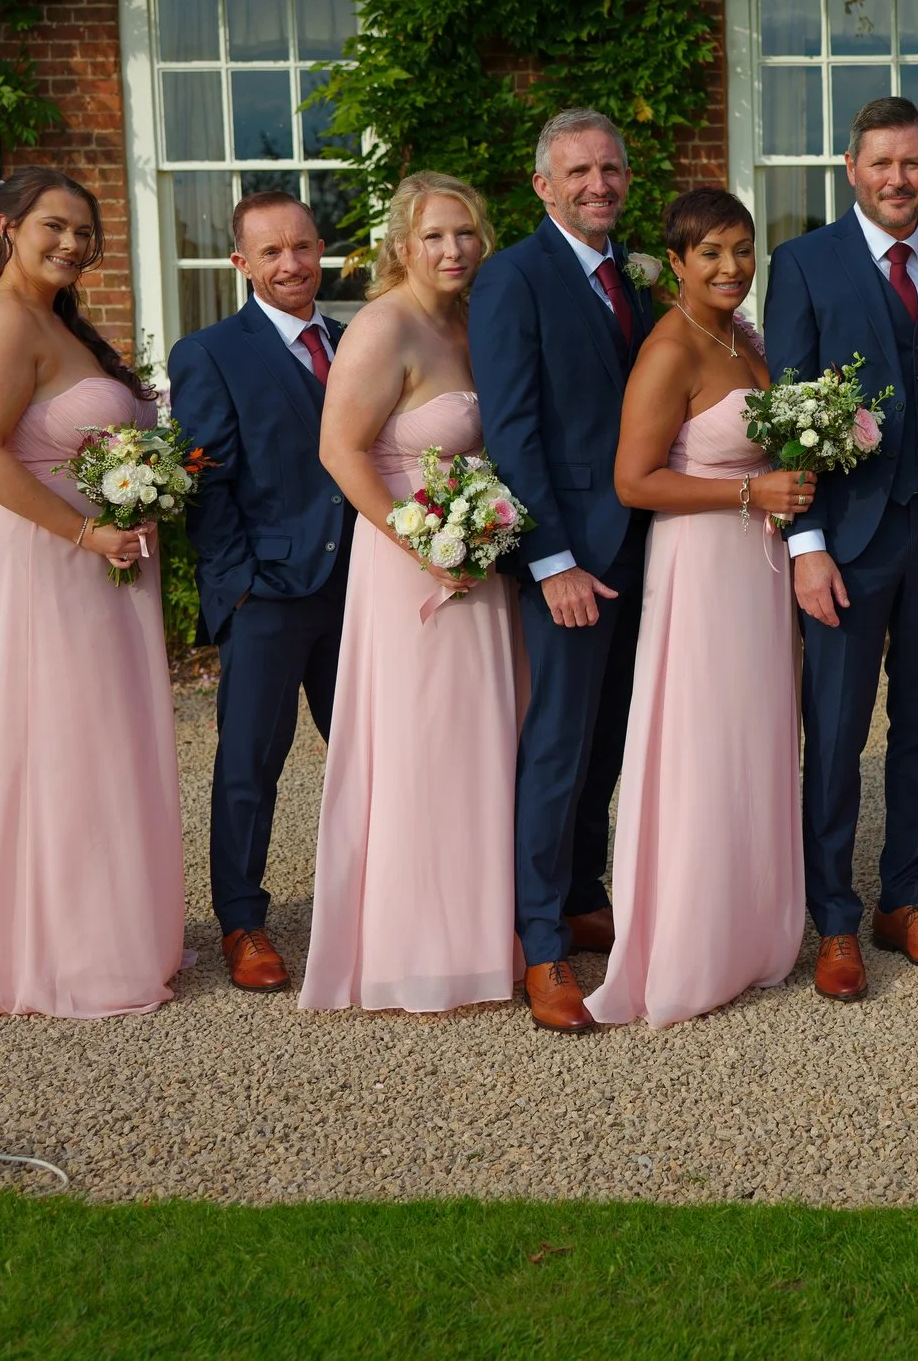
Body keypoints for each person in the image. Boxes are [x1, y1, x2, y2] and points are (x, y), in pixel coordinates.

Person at [0, 167, 184, 1017]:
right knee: (53, 740)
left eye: (85, 233)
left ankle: (107, 926)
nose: (72, 243)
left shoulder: (57, 321)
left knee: (99, 739)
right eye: (54, 227)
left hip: (102, 560)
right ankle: (53, 949)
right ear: (7, 227)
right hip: (45, 561)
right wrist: (82, 532)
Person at [765, 96, 918, 1002]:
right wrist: (805, 544)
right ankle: (837, 919)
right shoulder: (802, 263)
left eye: (916, 163)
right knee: (839, 732)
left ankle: (905, 899)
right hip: (847, 536)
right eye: (882, 164)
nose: (900, 180)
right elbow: (786, 405)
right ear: (851, 170)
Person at [586, 190, 811, 1027]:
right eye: (711, 253)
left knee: (756, 737)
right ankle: (689, 942)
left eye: (743, 250)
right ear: (675, 262)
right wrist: (752, 487)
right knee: (701, 741)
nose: (731, 268)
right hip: (703, 565)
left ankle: (750, 930)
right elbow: (633, 480)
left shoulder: (743, 335)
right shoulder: (670, 349)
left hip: (757, 568)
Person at [301, 173, 523, 1014]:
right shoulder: (383, 326)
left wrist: (477, 538)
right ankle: (411, 950)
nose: (453, 249)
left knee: (483, 743)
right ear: (402, 244)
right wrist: (427, 544)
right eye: (434, 236)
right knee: (421, 743)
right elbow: (342, 452)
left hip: (479, 557)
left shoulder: (470, 321)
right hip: (412, 565)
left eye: (465, 233)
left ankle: (484, 935)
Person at [471, 109, 653, 1032]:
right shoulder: (513, 278)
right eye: (578, 171)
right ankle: (540, 943)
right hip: (569, 555)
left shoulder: (634, 277)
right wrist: (550, 559)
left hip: (641, 548)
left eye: (611, 169)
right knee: (556, 749)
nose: (598, 185)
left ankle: (584, 892)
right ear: (543, 184)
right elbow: (512, 429)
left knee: (610, 738)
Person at [167, 191, 357, 994]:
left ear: (323, 251)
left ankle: (378, 904)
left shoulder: (355, 341)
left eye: (304, 248)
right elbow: (207, 484)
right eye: (272, 253)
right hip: (268, 594)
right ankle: (242, 921)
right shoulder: (211, 352)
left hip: (358, 590)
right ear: (241, 263)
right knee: (251, 763)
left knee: (373, 754)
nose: (292, 265)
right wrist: (239, 587)